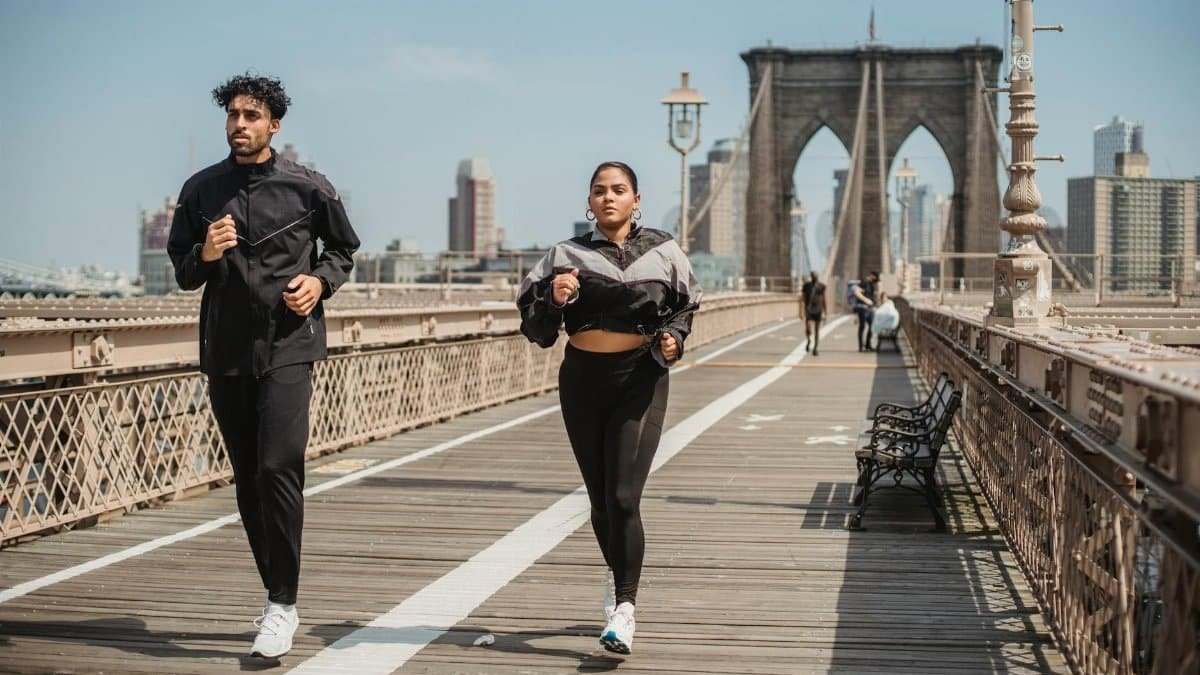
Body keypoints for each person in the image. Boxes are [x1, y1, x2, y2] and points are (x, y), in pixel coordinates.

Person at [167, 73, 360, 658]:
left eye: (252, 116)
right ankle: (278, 596)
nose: (240, 125)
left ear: (274, 125)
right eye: (233, 116)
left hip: (288, 345)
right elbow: (182, 271)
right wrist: (206, 250)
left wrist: (317, 283)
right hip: (225, 350)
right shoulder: (201, 191)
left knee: (279, 467)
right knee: (250, 478)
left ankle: (281, 604)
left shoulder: (309, 189)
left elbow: (344, 251)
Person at [517, 162, 701, 655]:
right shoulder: (565, 255)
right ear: (589, 202)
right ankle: (618, 574)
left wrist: (674, 340)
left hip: (639, 379)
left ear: (636, 199)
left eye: (619, 190)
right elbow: (536, 331)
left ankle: (624, 607)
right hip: (582, 382)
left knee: (622, 497)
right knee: (598, 500)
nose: (608, 198)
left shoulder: (663, 249)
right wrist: (554, 301)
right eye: (599, 191)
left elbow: (686, 307)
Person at [852, 270, 879, 352]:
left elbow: (873, 295)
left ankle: (868, 345)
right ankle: (861, 347)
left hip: (870, 309)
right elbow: (856, 292)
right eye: (875, 278)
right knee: (862, 327)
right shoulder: (864, 282)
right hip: (862, 308)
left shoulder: (871, 284)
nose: (876, 280)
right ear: (871, 275)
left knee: (872, 326)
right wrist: (866, 300)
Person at [800, 271, 826, 356]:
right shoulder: (806, 286)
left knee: (817, 330)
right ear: (811, 277)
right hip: (809, 310)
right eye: (813, 276)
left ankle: (815, 348)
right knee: (808, 328)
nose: (815, 277)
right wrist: (800, 311)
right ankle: (809, 340)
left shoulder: (822, 286)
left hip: (818, 310)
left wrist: (826, 312)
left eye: (816, 276)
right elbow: (802, 299)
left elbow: (824, 299)